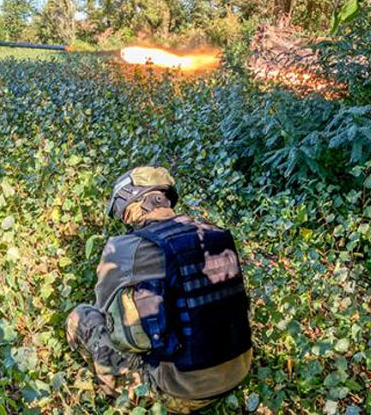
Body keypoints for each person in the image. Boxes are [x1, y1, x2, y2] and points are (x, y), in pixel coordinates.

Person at [66, 166, 252, 414]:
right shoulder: (215, 233)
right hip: (238, 372)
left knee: (82, 318)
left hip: (182, 391)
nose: (126, 220)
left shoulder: (126, 247)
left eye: (125, 212)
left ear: (139, 202)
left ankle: (118, 399)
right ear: (164, 198)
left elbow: (103, 310)